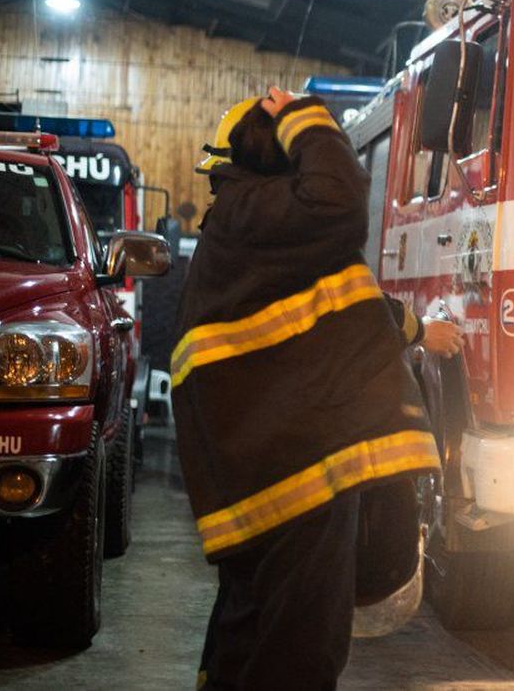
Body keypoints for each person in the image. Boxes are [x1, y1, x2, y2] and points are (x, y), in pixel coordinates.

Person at [176, 88, 440, 689]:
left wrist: (419, 327)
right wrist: (307, 117)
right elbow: (342, 202)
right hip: (299, 469)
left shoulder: (249, 226)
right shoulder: (265, 210)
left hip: (265, 465)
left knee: (251, 627)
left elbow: (345, 308)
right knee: (301, 644)